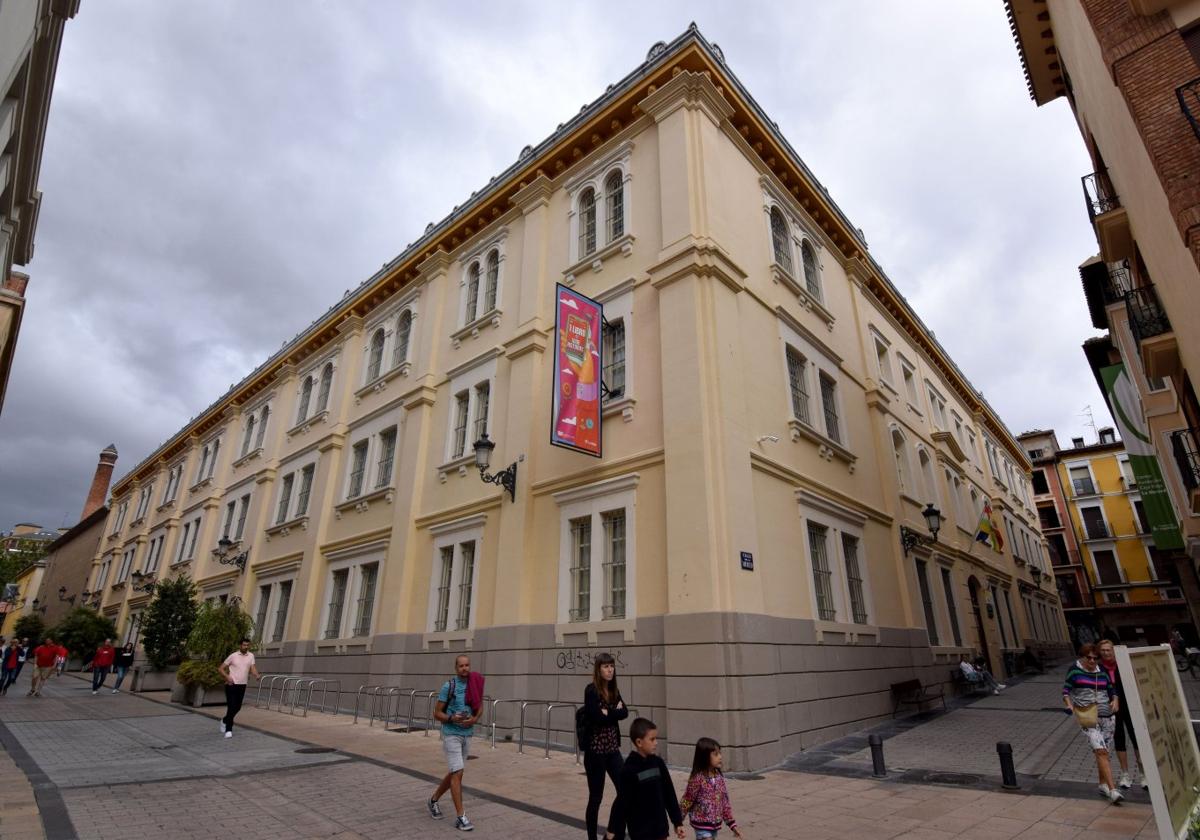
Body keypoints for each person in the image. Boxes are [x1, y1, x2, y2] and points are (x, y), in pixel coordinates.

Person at [428, 654, 483, 832]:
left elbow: (480, 706)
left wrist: (474, 719)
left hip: (467, 734)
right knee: (457, 772)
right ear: (456, 668)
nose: (465, 669)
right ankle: (461, 817)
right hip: (451, 734)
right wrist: (451, 717)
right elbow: (436, 713)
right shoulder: (448, 686)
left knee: (455, 773)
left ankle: (433, 800)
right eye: (461, 666)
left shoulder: (474, 683)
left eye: (467, 665)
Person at [606, 718, 685, 840]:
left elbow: (669, 793)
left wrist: (677, 821)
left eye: (656, 739)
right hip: (640, 831)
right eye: (652, 739)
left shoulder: (658, 763)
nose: (656, 743)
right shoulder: (629, 769)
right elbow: (621, 802)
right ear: (639, 742)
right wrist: (612, 830)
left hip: (660, 828)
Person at [1064, 642, 1122, 804]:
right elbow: (1066, 690)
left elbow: (1111, 689)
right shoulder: (1074, 670)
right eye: (1088, 657)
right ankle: (1112, 789)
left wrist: (1115, 700)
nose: (1092, 661)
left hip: (1107, 716)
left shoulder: (1101, 670)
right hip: (1088, 717)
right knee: (1101, 751)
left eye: (1095, 658)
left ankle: (1102, 784)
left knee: (1103, 752)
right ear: (1082, 657)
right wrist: (1068, 704)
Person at [583, 652, 629, 839]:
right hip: (595, 752)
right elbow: (596, 717)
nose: (610, 670)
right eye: (605, 666)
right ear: (598, 669)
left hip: (612, 750)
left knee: (626, 790)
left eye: (611, 666)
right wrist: (612, 712)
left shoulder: (614, 690)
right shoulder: (591, 690)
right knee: (596, 798)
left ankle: (611, 833)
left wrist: (607, 712)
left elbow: (624, 712)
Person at [1098, 639, 1147, 791]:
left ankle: (1143, 774)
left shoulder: (1123, 664)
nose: (1106, 653)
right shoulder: (1099, 668)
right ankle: (1125, 774)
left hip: (1129, 705)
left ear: (1114, 650)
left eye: (1108, 650)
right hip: (1111, 707)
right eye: (1103, 650)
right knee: (1119, 738)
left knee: (1136, 737)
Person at [680, 738, 740, 839]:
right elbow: (687, 799)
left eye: (720, 753)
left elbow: (724, 802)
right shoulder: (697, 779)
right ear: (704, 757)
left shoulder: (719, 778)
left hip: (715, 825)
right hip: (701, 824)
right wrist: (678, 821)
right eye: (716, 754)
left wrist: (732, 824)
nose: (720, 757)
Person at [217, 638, 259, 738]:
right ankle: (228, 729)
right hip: (231, 685)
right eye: (244, 645)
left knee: (237, 707)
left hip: (242, 685)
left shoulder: (251, 656)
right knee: (231, 706)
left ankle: (225, 720)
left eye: (248, 645)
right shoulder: (233, 656)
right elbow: (220, 668)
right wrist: (227, 677)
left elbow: (252, 668)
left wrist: (256, 674)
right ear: (240, 645)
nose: (246, 647)